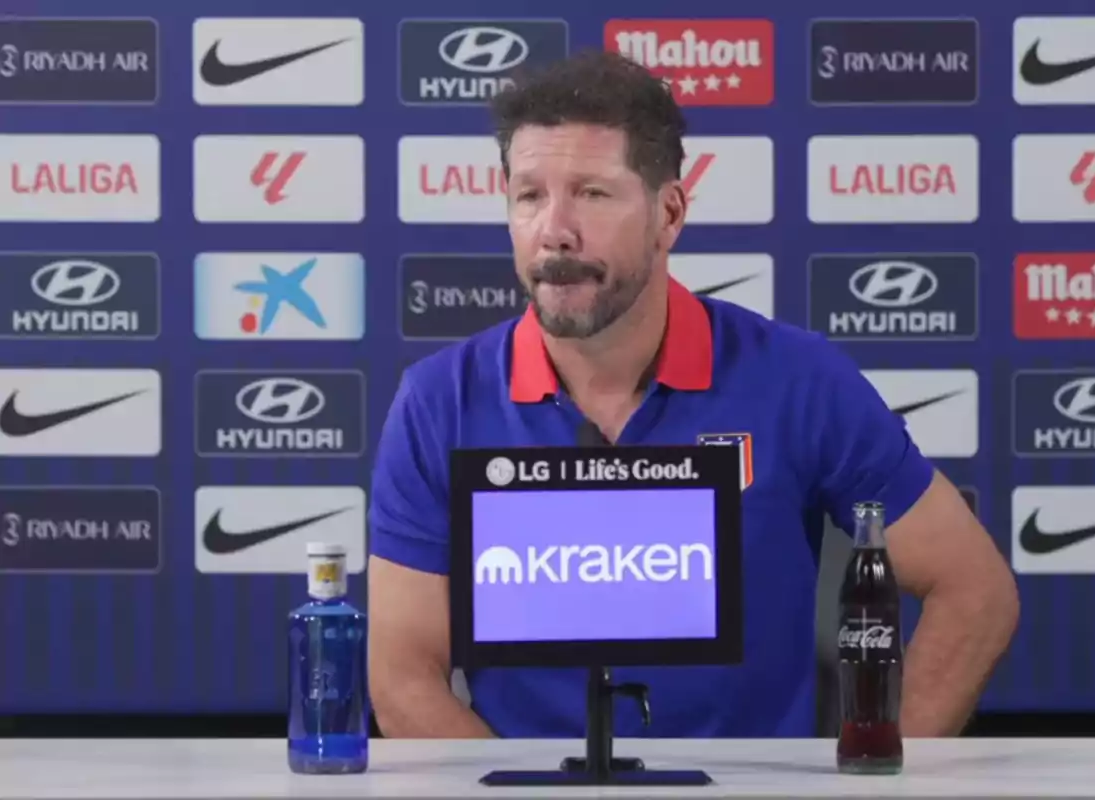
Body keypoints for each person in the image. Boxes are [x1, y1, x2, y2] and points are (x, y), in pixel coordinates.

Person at [367, 50, 1019, 739]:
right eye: (529, 195)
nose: (554, 229)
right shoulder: (441, 401)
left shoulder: (797, 380)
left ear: (669, 213)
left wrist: (876, 771)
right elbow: (403, 673)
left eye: (592, 193)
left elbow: (975, 592)